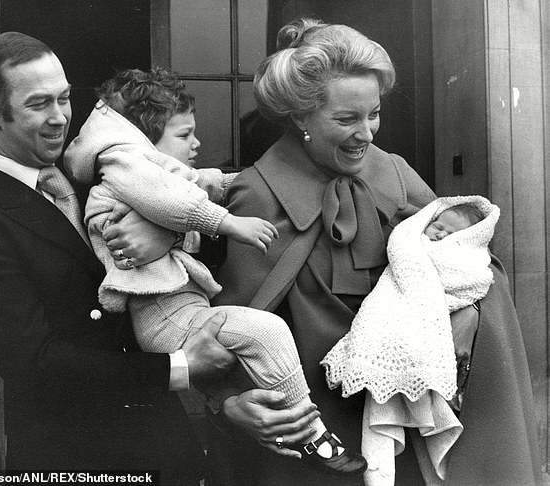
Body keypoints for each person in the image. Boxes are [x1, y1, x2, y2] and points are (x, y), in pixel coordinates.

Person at [206, 17, 540, 486]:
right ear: (299, 117)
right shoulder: (257, 196)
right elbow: (229, 326)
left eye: (374, 114)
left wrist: (467, 315)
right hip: (314, 435)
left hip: (407, 418)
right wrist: (231, 402)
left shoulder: (396, 172)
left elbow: (471, 260)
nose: (367, 133)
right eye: (346, 119)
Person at [0, 32, 238, 483]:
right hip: (76, 460)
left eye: (65, 98)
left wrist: (165, 237)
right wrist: (179, 367)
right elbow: (34, 363)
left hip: (168, 449)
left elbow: (207, 245)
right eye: (39, 104)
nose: (60, 119)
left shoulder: (97, 175)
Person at [62, 67, 367, 477]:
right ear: (146, 142)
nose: (197, 143)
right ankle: (311, 433)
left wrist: (247, 181)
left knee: (261, 343)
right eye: (184, 135)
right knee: (266, 332)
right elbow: (171, 198)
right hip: (167, 319)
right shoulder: (125, 169)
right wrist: (227, 222)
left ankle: (302, 429)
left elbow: (193, 182)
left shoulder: (143, 173)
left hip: (183, 312)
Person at [321, 195, 499, 485]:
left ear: (466, 240)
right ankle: (379, 476)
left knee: (426, 414)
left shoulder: (465, 258)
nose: (440, 234)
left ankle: (434, 475)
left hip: (429, 338)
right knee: (383, 408)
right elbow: (403, 262)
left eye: (451, 234)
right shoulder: (410, 244)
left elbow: (473, 281)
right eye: (437, 226)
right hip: (390, 331)